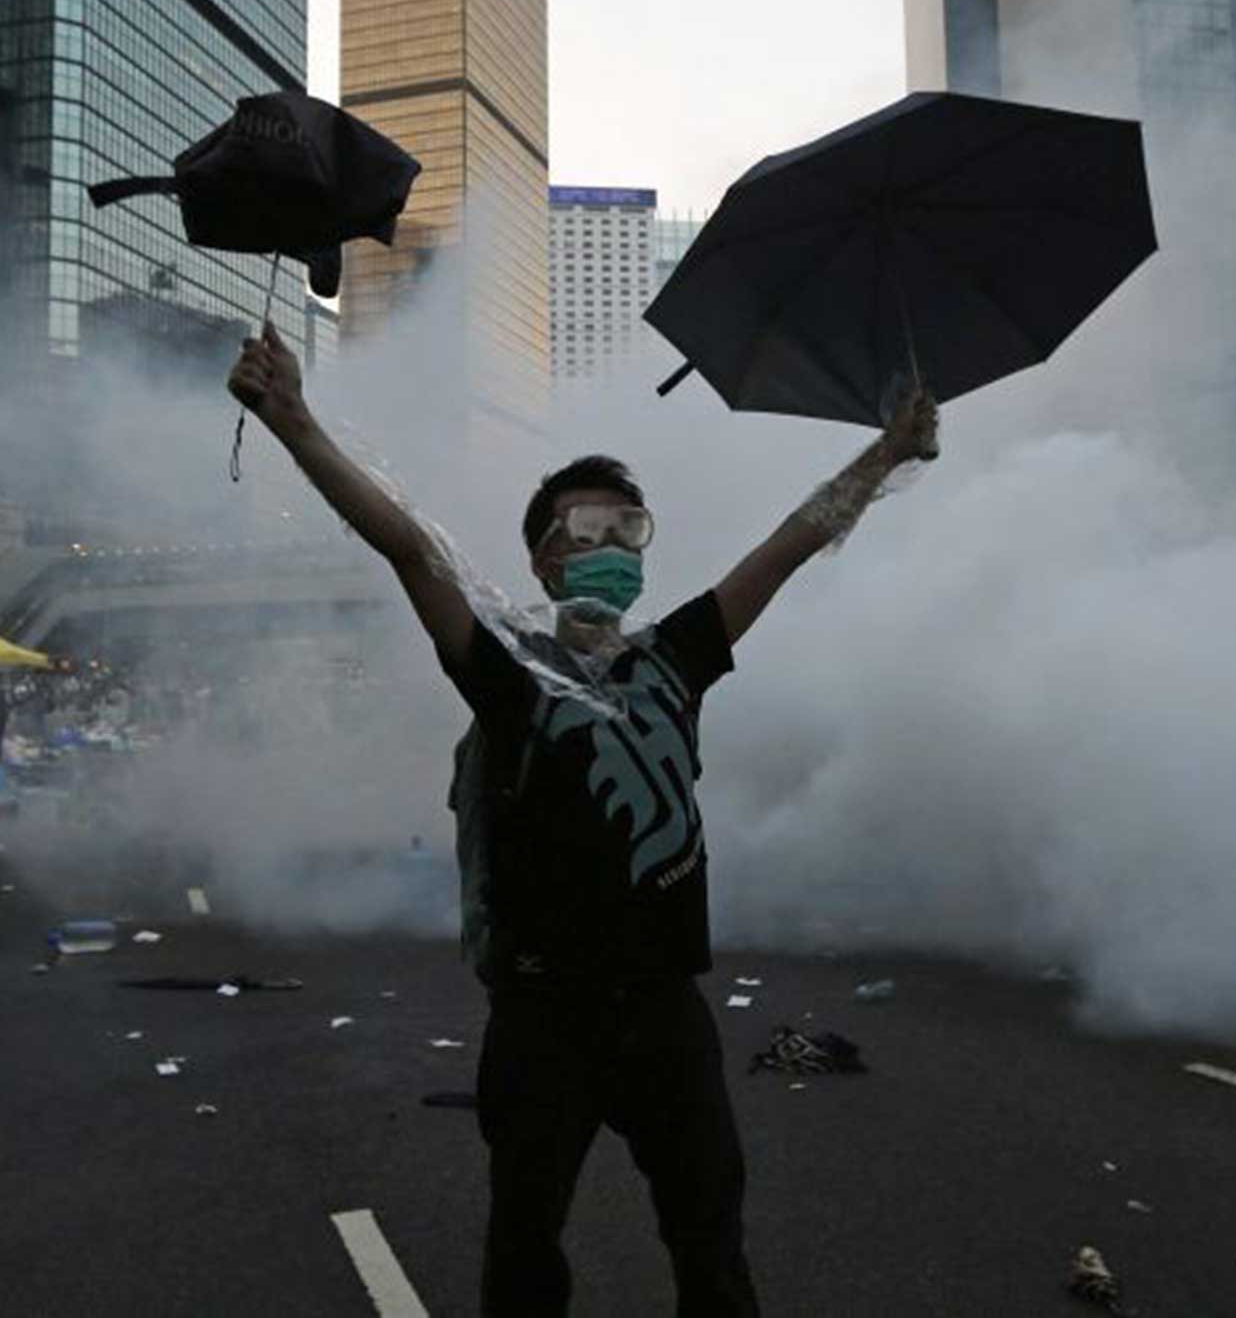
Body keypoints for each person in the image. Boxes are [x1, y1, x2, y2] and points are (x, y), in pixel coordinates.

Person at [227, 322, 938, 1316]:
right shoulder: (506, 671)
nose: (608, 547)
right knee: (523, 1244)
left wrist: (885, 452)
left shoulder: (674, 658)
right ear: (543, 556)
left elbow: (793, 540)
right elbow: (407, 545)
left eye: (627, 528)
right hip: (540, 1014)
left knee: (710, 1237)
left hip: (664, 1010)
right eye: (584, 529)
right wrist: (294, 421)